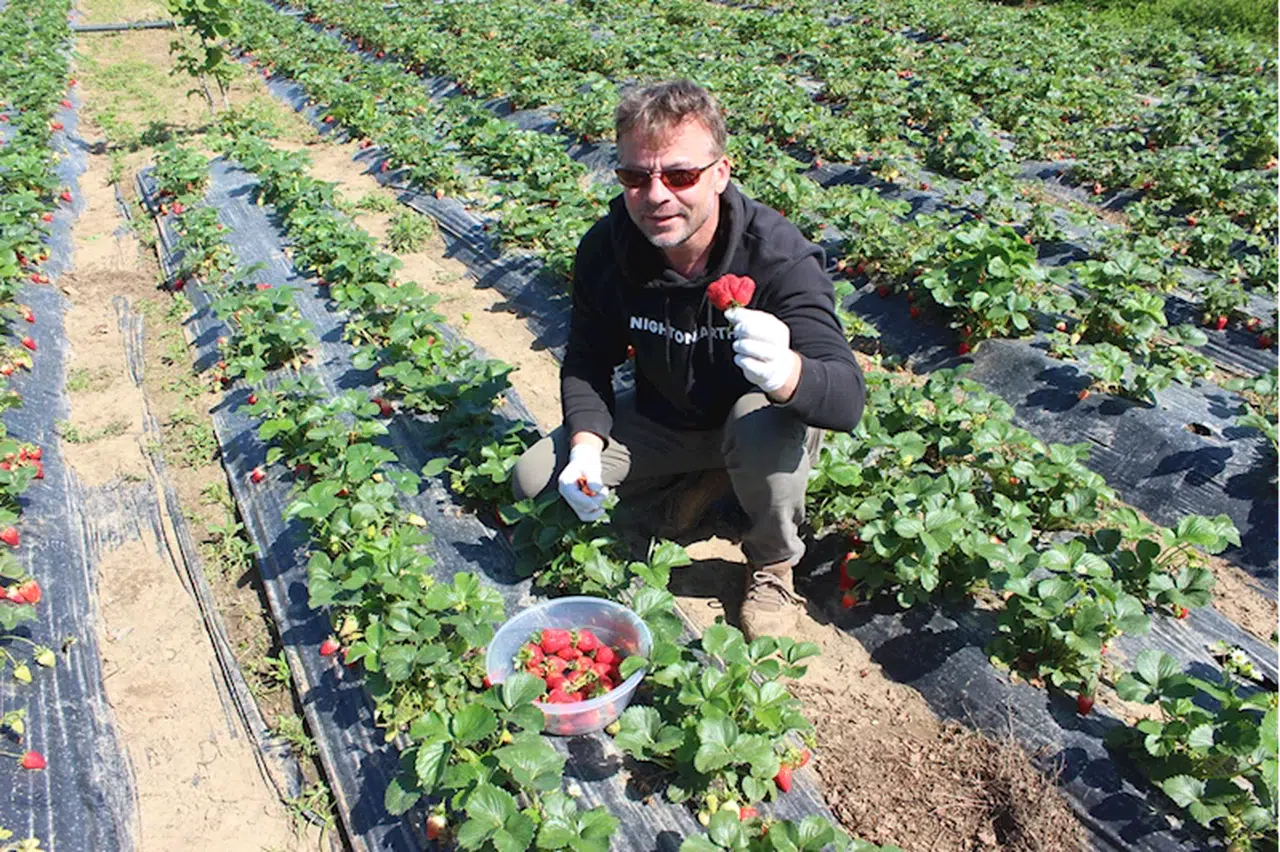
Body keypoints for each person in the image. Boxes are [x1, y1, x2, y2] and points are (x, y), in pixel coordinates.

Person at [512, 79, 864, 640]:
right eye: (635, 176)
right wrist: (584, 447)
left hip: (756, 423)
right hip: (664, 416)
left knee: (761, 424)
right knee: (534, 482)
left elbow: (846, 398)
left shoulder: (777, 256)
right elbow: (587, 359)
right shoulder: (608, 248)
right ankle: (704, 481)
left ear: (720, 173)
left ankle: (772, 563)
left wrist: (788, 373)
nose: (655, 195)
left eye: (679, 175)